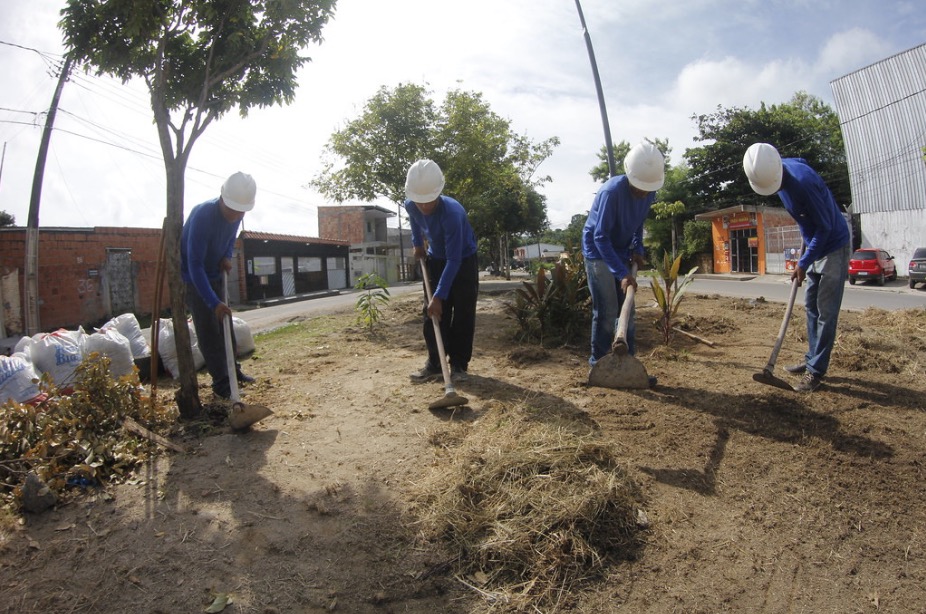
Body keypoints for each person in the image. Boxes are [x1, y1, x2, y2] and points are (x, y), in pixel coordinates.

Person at [743, 143, 850, 392]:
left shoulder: (803, 183)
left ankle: (816, 371)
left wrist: (802, 263)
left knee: (826, 313)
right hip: (812, 244)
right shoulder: (777, 168)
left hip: (832, 244)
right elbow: (802, 158)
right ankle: (811, 358)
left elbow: (824, 228)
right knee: (810, 307)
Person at [582, 142, 665, 387]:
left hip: (621, 250)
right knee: (607, 312)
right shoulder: (611, 192)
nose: (643, 193)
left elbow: (638, 222)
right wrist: (621, 272)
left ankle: (628, 367)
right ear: (630, 176)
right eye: (639, 188)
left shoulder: (650, 189)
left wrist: (638, 248)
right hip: (598, 252)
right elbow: (600, 237)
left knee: (628, 313)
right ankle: (599, 365)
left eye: (646, 189)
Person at [181, 171, 257, 400]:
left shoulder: (237, 214)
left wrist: (226, 255)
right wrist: (212, 302)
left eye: (240, 212)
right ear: (222, 198)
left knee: (225, 326)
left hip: (215, 274)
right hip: (194, 279)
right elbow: (194, 264)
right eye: (232, 210)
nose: (235, 216)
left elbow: (230, 237)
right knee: (209, 332)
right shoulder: (204, 215)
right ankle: (221, 383)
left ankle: (233, 371)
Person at [404, 159, 479, 383]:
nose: (425, 207)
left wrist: (439, 295)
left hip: (462, 260)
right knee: (432, 313)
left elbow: (454, 260)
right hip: (436, 258)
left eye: (429, 202)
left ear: (439, 193)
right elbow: (415, 222)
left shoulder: (453, 214)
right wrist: (418, 243)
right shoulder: (411, 204)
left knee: (463, 313)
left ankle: (458, 365)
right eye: (420, 202)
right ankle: (435, 364)